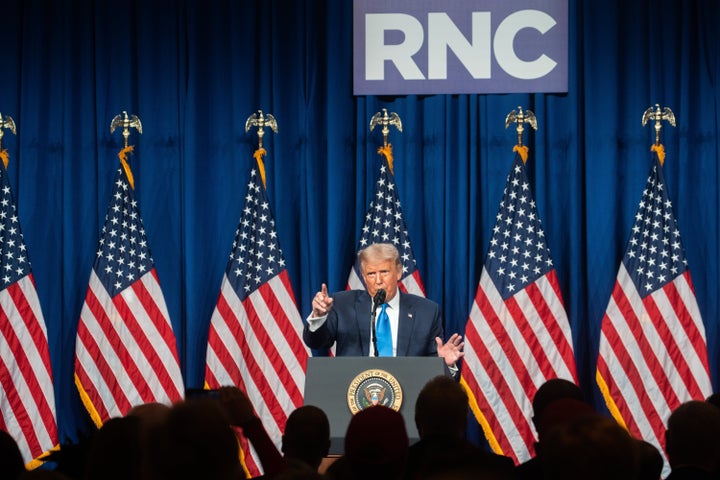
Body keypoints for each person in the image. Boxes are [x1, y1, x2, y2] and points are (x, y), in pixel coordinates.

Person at [303, 243, 463, 369]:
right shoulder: (343, 304)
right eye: (371, 274)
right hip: (354, 394)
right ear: (364, 277)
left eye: (384, 272)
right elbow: (316, 343)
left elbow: (434, 374)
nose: (378, 280)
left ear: (398, 272)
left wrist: (444, 365)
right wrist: (318, 316)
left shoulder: (426, 311)